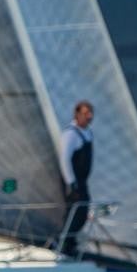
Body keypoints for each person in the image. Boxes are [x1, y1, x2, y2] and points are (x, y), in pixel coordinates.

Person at [59, 100, 94, 256]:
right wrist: (71, 184)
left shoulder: (87, 133)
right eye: (86, 113)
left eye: (91, 113)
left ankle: (71, 243)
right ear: (77, 114)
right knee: (75, 213)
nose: (90, 117)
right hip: (73, 182)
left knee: (83, 212)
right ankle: (65, 245)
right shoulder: (70, 134)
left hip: (82, 182)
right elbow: (65, 159)